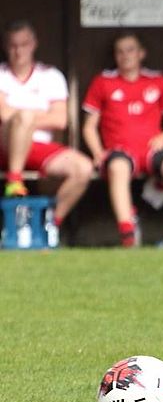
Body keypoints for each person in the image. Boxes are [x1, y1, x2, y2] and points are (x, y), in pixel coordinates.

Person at [82, 32, 163, 247]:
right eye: (120, 52)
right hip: (119, 149)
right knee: (118, 168)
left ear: (141, 53)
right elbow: (89, 127)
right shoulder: (103, 81)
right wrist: (97, 152)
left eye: (130, 50)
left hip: (151, 147)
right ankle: (128, 234)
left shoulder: (157, 80)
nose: (125, 55)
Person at [0, 20, 94, 240]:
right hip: (4, 145)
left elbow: (60, 120)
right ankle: (15, 182)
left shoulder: (51, 76)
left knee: (83, 168)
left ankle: (49, 223)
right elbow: (3, 115)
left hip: (39, 148)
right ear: (5, 46)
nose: (18, 51)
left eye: (24, 44)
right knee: (23, 117)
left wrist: (24, 119)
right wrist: (28, 116)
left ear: (34, 44)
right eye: (13, 45)